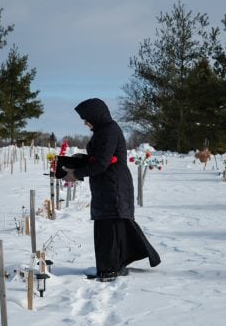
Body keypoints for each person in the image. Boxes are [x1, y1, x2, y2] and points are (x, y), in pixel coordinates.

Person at [62, 98, 161, 281]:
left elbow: (101, 163)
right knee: (109, 226)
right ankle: (112, 267)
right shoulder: (104, 130)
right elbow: (100, 157)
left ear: (96, 116)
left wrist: (76, 174)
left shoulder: (108, 131)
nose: (85, 123)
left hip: (113, 187)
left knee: (109, 228)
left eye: (86, 118)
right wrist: (80, 161)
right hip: (108, 187)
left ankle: (110, 270)